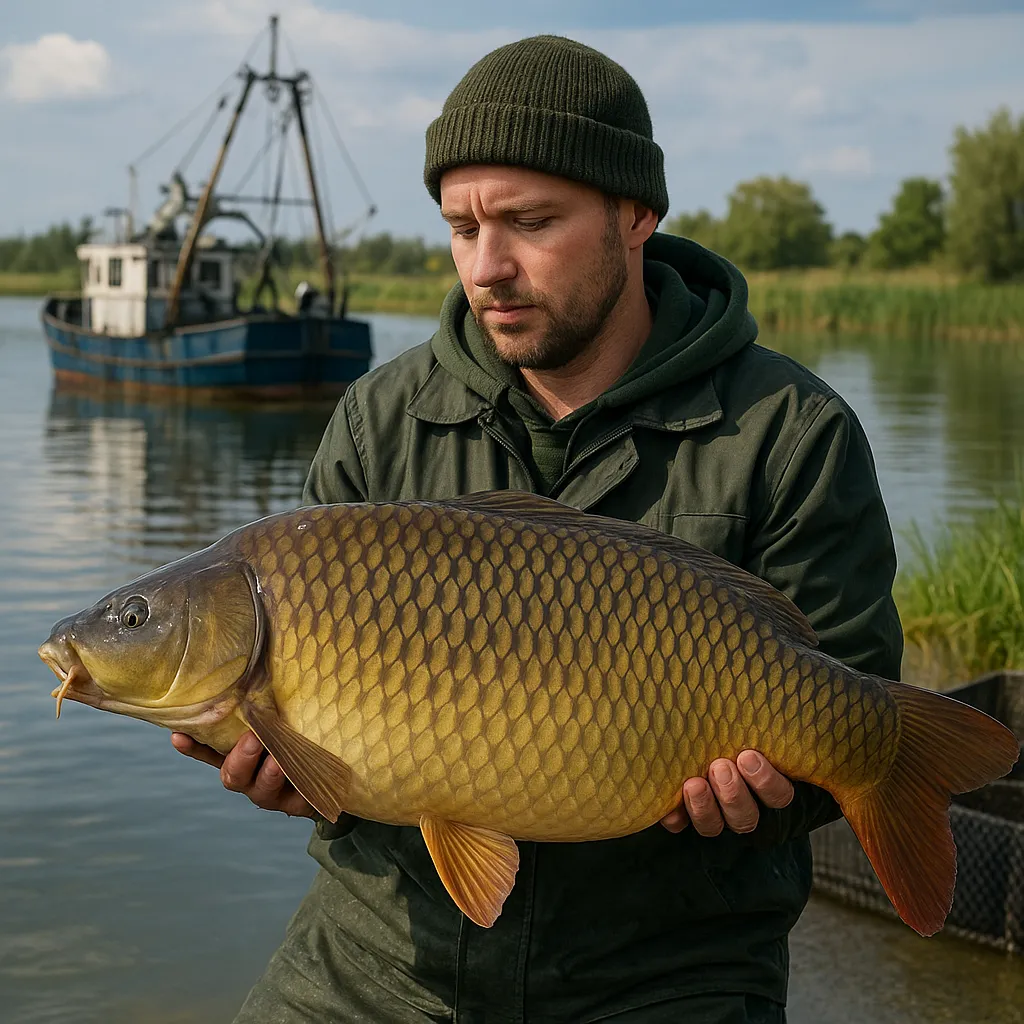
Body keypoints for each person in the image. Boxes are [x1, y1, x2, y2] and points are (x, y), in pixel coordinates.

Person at [173, 35, 902, 1023]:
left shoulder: (789, 430)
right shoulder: (378, 420)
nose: (489, 267)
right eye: (461, 227)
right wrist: (295, 772)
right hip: (382, 959)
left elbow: (853, 687)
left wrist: (780, 792)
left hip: (666, 972)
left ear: (634, 214)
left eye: (528, 222)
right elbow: (331, 763)